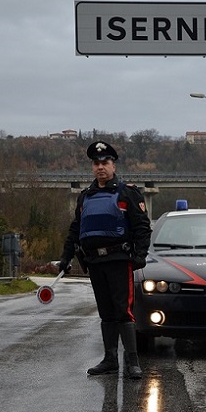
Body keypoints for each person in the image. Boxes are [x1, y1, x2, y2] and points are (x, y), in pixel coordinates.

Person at [58, 140, 152, 379]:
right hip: (95, 263)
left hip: (119, 260)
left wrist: (140, 256)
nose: (101, 167)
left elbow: (142, 227)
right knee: (106, 313)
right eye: (96, 163)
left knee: (124, 312)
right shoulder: (85, 197)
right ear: (92, 167)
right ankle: (110, 360)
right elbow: (75, 231)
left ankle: (133, 362)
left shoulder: (127, 193)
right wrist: (65, 259)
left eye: (105, 163)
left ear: (113, 166)